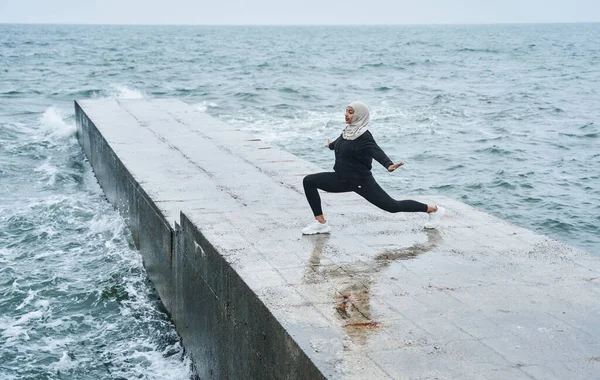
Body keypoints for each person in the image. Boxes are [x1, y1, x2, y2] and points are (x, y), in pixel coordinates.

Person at [301, 101, 445, 235]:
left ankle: (433, 210)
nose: (346, 114)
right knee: (309, 181)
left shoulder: (364, 136)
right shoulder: (349, 131)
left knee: (392, 206)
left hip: (361, 182)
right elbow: (340, 142)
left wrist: (388, 165)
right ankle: (321, 223)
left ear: (359, 115)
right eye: (346, 111)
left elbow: (376, 151)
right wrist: (331, 145)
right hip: (341, 178)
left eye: (350, 112)